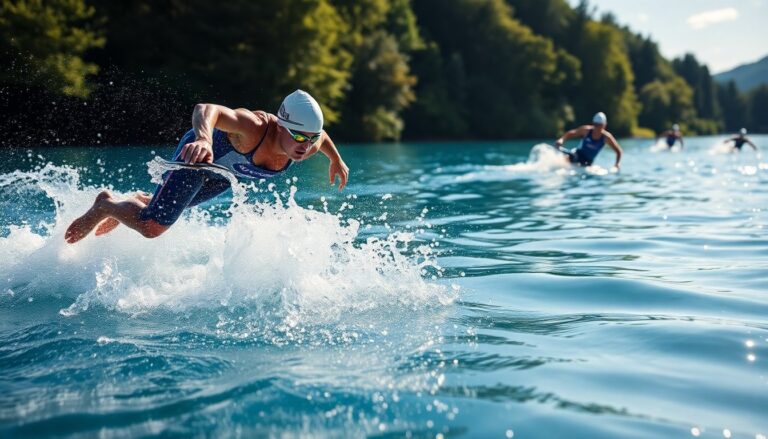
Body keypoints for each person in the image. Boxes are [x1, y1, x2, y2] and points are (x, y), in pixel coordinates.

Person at [65, 89, 349, 243]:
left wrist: (336, 159)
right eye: (298, 136)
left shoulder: (307, 143)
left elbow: (321, 136)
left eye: (310, 139)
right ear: (281, 126)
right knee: (153, 227)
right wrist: (203, 138)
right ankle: (106, 205)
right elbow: (205, 109)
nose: (305, 146)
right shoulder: (253, 128)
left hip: (226, 173)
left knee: (167, 208)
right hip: (200, 158)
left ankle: (138, 202)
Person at [554, 112, 623, 169]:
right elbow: (572, 133)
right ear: (593, 123)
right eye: (595, 124)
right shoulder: (586, 130)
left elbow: (618, 151)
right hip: (577, 154)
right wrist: (561, 139)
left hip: (588, 162)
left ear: (604, 125)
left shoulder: (607, 137)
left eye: (599, 125)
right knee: (566, 157)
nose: (597, 127)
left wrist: (617, 164)